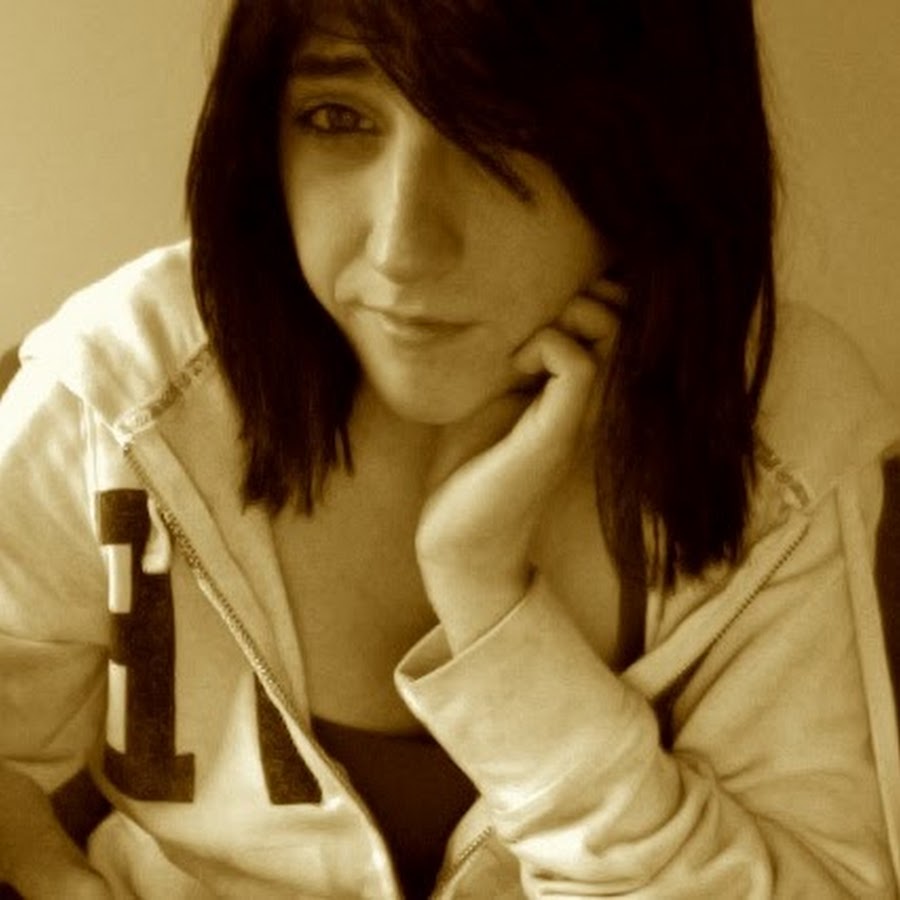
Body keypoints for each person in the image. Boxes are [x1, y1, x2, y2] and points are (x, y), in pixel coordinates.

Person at [1, 0, 898, 896]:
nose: (403, 247)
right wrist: (55, 879)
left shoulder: (781, 438)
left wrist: (489, 604)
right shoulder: (124, 392)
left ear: (655, 143)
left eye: (503, 129)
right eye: (337, 118)